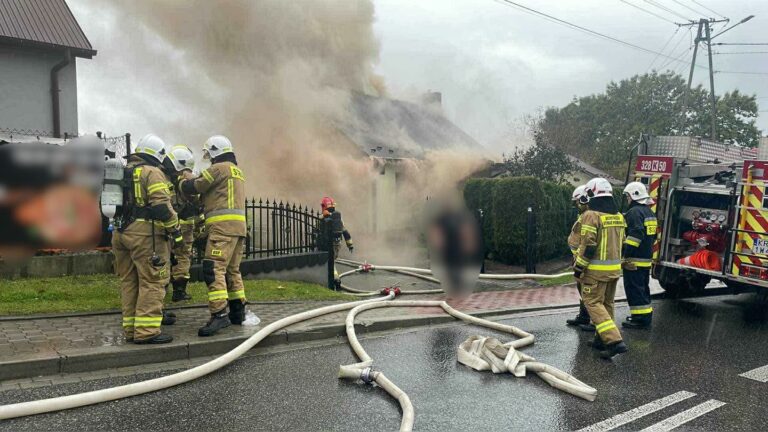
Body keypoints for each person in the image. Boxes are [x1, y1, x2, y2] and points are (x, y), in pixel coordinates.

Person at [112, 134, 183, 344]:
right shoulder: (152, 172)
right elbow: (161, 206)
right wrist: (176, 231)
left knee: (129, 281)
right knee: (153, 280)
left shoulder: (122, 171)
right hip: (145, 235)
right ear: (158, 155)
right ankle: (147, 332)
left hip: (120, 233)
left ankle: (131, 330)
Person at [179, 135, 247, 337]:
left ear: (215, 151)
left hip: (222, 229)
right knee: (233, 270)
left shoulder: (218, 169)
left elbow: (196, 186)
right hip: (238, 229)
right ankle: (238, 311)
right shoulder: (237, 171)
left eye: (209, 154)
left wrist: (183, 180)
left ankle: (218, 315)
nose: (208, 158)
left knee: (213, 268)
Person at [574, 177, 628, 359]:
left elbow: (588, 246)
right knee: (607, 304)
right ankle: (600, 339)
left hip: (595, 272)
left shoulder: (591, 216)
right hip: (613, 271)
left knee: (593, 303)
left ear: (592, 193)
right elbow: (624, 243)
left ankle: (614, 342)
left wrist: (579, 268)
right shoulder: (619, 216)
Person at [163, 145, 199, 302]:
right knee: (183, 256)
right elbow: (197, 198)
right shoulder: (186, 181)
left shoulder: (164, 178)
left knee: (164, 254)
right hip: (184, 225)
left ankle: (161, 289)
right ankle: (179, 291)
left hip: (167, 224)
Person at [621, 181, 657, 329]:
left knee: (634, 289)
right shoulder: (649, 212)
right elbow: (653, 237)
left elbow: (636, 234)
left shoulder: (634, 212)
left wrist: (625, 253)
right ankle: (644, 316)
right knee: (642, 288)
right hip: (646, 259)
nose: (627, 199)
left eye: (628, 196)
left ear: (634, 195)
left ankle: (640, 319)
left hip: (634, 260)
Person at [565, 185, 594, 331]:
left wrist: (581, 262)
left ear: (584, 199)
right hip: (579, 259)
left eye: (578, 201)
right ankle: (583, 316)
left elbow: (588, 242)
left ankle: (590, 319)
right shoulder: (583, 215)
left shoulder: (591, 216)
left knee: (589, 292)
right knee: (582, 289)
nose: (576, 205)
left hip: (586, 261)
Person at [320, 196, 353, 287]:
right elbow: (345, 232)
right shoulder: (338, 219)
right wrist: (350, 245)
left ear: (324, 206)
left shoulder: (323, 218)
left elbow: (319, 231)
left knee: (330, 263)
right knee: (332, 261)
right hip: (338, 244)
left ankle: (336, 280)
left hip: (329, 244)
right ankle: (333, 279)